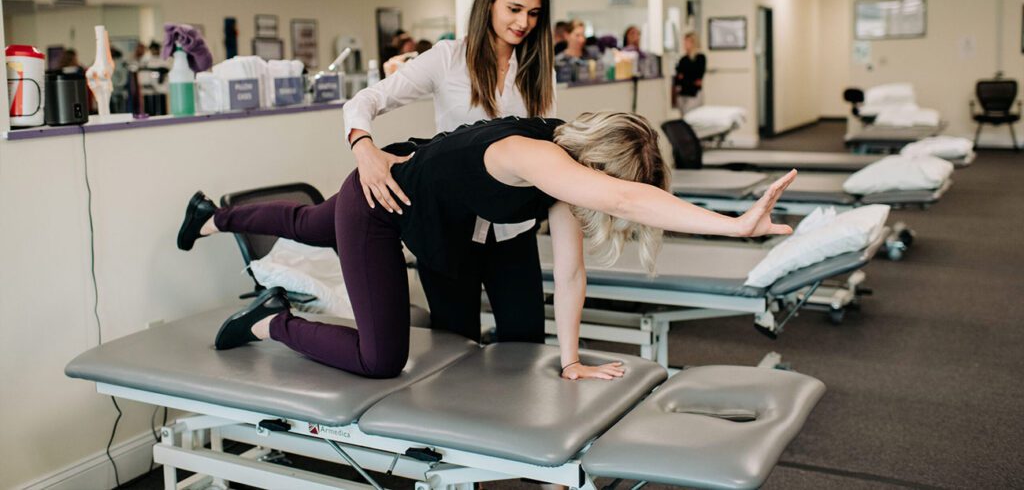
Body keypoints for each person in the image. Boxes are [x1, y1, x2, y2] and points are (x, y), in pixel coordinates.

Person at [177, 112, 796, 380]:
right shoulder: (531, 154)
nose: (606, 203)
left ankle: (211, 217)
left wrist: (570, 359)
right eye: (609, 187)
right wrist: (734, 225)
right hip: (379, 205)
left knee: (310, 222)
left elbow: (571, 275)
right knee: (380, 358)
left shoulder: (560, 176)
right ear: (598, 166)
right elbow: (624, 200)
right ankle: (270, 323)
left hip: (401, 185)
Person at [341, 0, 555, 346]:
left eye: (533, 13)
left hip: (514, 230)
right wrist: (364, 149)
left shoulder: (539, 71)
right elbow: (365, 101)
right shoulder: (448, 59)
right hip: (448, 228)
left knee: (527, 344)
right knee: (455, 351)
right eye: (514, 9)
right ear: (489, 3)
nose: (523, 22)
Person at [673, 32, 706, 116]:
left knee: (690, 117)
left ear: (693, 43)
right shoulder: (683, 59)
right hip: (682, 94)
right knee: (683, 118)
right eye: (684, 41)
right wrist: (686, 78)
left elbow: (698, 79)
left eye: (687, 42)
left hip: (694, 94)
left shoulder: (700, 58)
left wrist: (684, 77)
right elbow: (678, 78)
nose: (684, 44)